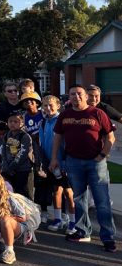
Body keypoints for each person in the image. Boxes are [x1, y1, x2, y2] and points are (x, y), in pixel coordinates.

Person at [49, 85, 116, 252]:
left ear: (86, 96)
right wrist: (55, 157)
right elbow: (58, 136)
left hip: (96, 163)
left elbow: (110, 137)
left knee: (102, 202)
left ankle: (108, 237)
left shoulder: (98, 113)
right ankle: (82, 231)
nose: (76, 96)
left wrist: (102, 155)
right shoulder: (65, 115)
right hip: (73, 162)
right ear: (68, 97)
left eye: (79, 94)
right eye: (72, 94)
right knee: (79, 200)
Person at [39, 95, 76, 234]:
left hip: (64, 163)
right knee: (56, 192)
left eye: (51, 105)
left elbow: (68, 144)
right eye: (45, 105)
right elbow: (42, 145)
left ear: (58, 105)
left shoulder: (63, 121)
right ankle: (58, 219)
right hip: (51, 164)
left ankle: (73, 222)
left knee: (69, 192)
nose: (48, 108)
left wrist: (65, 163)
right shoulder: (43, 123)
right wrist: (45, 163)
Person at [0, 113, 34, 199]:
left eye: (16, 121)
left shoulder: (25, 136)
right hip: (9, 169)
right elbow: (4, 152)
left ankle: (30, 212)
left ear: (22, 123)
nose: (12, 123)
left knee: (24, 193)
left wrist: (12, 166)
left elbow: (22, 154)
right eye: (10, 121)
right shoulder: (7, 135)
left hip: (23, 169)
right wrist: (5, 165)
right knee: (12, 193)